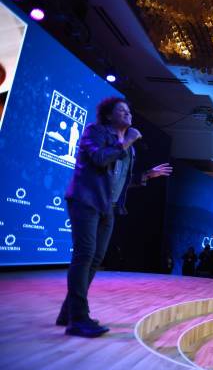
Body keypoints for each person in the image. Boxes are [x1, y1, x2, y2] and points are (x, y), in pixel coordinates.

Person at [56, 97, 172, 338]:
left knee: (96, 258)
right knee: (84, 255)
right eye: (122, 110)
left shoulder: (128, 149)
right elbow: (99, 159)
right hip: (85, 200)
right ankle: (78, 318)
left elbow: (118, 181)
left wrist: (146, 176)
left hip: (108, 207)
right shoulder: (95, 131)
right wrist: (126, 142)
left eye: (129, 111)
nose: (128, 114)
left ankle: (68, 311)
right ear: (109, 115)